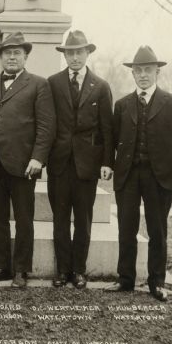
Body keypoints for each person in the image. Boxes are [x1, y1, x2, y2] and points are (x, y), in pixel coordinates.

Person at [105, 46, 172, 302]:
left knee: (157, 230)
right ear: (132, 73)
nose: (143, 75)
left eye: (148, 70)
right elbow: (112, 139)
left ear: (157, 72)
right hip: (128, 175)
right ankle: (126, 280)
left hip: (159, 177)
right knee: (126, 228)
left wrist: (166, 163)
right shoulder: (122, 105)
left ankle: (157, 282)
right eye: (138, 70)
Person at [0, 32, 56, 288]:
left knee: (24, 218)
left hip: (24, 164)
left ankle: (22, 270)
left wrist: (38, 158)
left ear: (25, 56)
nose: (12, 57)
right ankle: (0, 266)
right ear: (0, 56)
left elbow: (46, 126)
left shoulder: (38, 84)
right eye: (7, 53)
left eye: (17, 53)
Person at [47, 30, 114, 289]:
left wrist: (107, 162)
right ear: (64, 55)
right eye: (70, 52)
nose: (74, 57)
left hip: (87, 165)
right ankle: (63, 270)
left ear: (88, 53)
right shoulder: (52, 83)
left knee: (83, 220)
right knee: (60, 219)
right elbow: (47, 123)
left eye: (79, 52)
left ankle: (79, 271)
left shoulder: (101, 86)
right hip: (59, 162)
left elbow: (107, 129)